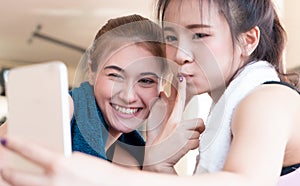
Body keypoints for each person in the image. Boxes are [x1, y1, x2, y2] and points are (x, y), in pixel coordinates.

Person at [1, 0, 300, 186]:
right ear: (92, 72)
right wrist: (158, 164)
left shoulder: (268, 100)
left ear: (248, 40)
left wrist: (101, 176)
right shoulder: (68, 106)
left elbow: (246, 182)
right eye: (172, 36)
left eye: (200, 35)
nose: (180, 53)